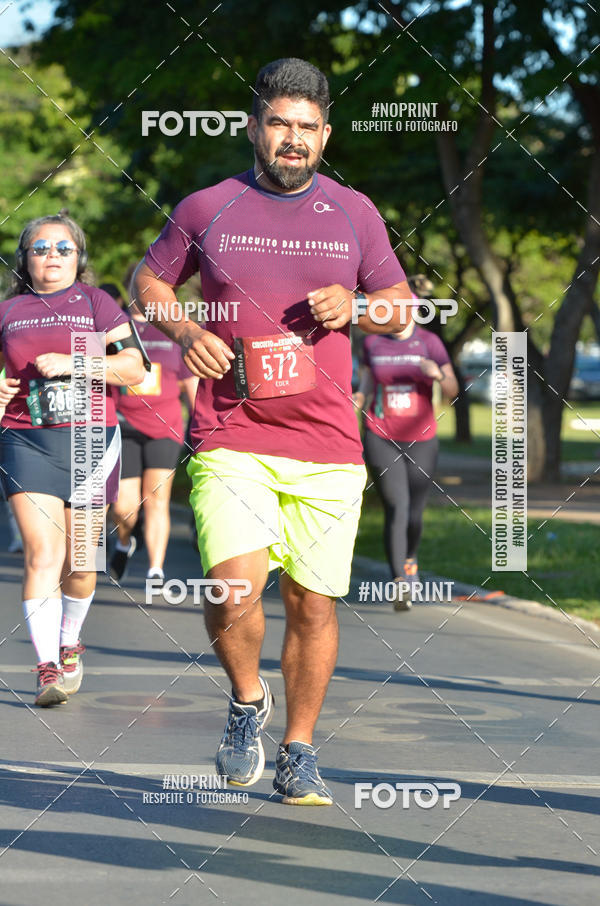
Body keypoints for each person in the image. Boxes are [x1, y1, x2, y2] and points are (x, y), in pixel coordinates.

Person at [131, 57, 411, 805]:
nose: (293, 138)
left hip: (328, 446)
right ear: (254, 127)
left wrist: (358, 308)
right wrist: (186, 329)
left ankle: (299, 748)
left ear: (326, 136)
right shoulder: (206, 207)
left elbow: (402, 308)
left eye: (307, 128)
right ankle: (246, 698)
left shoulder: (354, 212)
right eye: (280, 123)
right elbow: (148, 280)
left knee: (314, 604)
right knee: (234, 588)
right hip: (230, 434)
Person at [0, 214, 145, 706]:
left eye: (64, 248)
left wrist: (74, 362)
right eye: (41, 248)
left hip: (89, 441)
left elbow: (134, 369)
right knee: (42, 554)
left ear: (79, 257)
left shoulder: (96, 303)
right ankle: (46, 668)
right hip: (27, 440)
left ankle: (69, 642)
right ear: (25, 258)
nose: (52, 256)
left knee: (81, 564)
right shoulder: (9, 311)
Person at [354, 278, 459, 611]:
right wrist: (356, 400)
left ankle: (410, 559)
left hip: (422, 439)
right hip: (380, 434)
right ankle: (399, 580)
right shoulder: (373, 343)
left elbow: (453, 390)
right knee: (396, 506)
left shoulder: (430, 343)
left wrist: (438, 375)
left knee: (414, 512)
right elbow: (366, 385)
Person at [109, 299, 198, 583]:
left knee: (157, 499)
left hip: (165, 427)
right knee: (124, 507)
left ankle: (155, 569)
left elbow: (191, 388)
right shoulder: (115, 328)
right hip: (124, 425)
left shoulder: (174, 331)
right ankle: (124, 541)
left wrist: (201, 432)